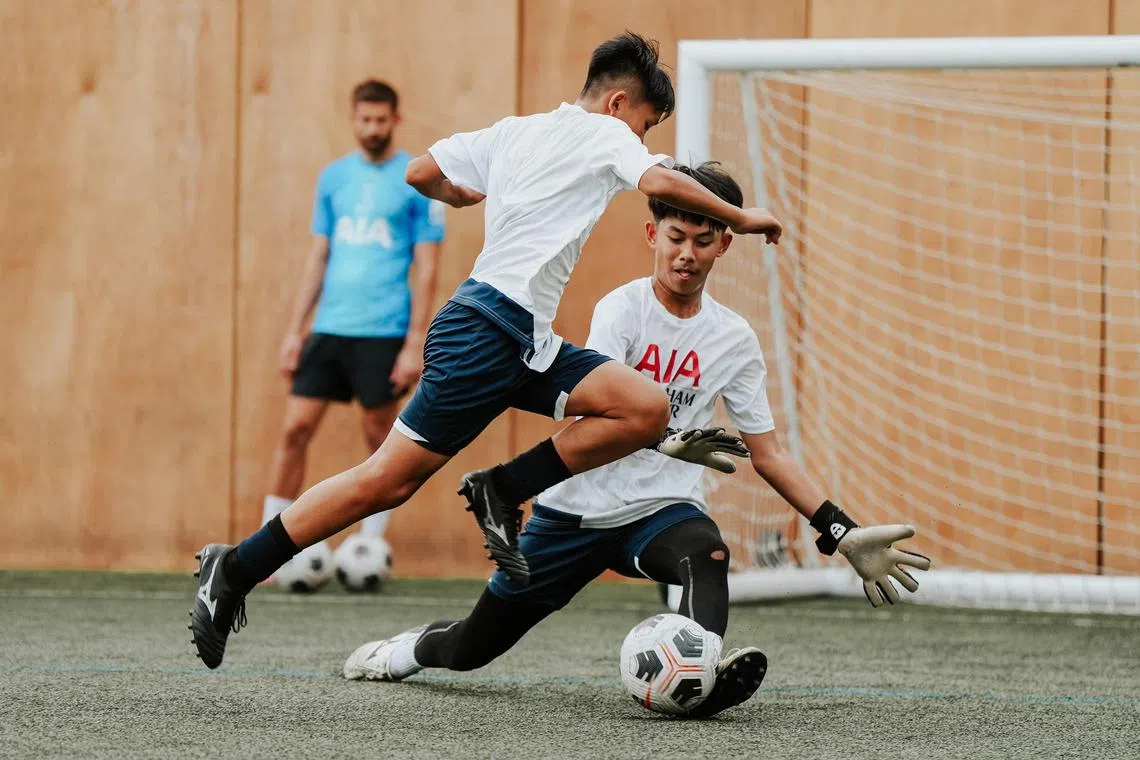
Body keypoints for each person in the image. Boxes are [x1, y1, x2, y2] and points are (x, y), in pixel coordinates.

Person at [190, 32, 783, 670]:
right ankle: (237, 568)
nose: (639, 140)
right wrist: (740, 218)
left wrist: (460, 195)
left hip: (526, 340)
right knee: (384, 484)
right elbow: (657, 176)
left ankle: (501, 487)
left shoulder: (513, 131)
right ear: (618, 104)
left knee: (643, 407)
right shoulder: (609, 136)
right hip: (485, 332)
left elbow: (421, 172)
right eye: (642, 126)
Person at [340, 162, 930, 719]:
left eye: (703, 241)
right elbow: (601, 419)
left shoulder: (735, 339)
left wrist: (839, 528)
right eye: (676, 236)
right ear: (652, 233)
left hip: (659, 512)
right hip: (573, 513)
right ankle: (406, 652)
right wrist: (668, 438)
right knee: (474, 647)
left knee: (708, 552)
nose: (687, 254)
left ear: (724, 244)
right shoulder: (620, 311)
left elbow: (768, 453)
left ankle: (700, 677)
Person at [263, 79, 444, 560]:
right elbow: (318, 258)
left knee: (380, 442)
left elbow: (427, 268)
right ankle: (268, 547)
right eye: (364, 119)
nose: (372, 129)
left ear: (395, 119)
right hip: (329, 328)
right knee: (294, 429)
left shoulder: (415, 180)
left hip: (384, 331)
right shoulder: (333, 179)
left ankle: (368, 543)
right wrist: (294, 332)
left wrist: (414, 343)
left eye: (381, 120)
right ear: (353, 119)